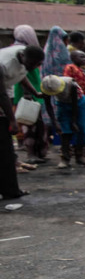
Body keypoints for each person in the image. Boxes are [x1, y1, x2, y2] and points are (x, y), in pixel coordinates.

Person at [1, 44, 44, 199]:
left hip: (4, 94)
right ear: (24, 57)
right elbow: (2, 95)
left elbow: (21, 75)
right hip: (2, 96)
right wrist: (12, 121)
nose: (35, 67)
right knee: (4, 147)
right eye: (33, 64)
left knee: (5, 149)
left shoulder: (24, 59)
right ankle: (9, 190)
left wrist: (35, 92)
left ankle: (10, 190)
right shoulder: (4, 63)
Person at [12, 25, 48, 165]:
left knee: (39, 124)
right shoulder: (20, 52)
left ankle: (39, 152)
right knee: (29, 123)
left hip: (35, 92)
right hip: (26, 93)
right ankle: (31, 154)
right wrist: (29, 93)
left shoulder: (31, 50)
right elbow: (22, 75)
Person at [40, 74, 85, 168]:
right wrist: (55, 123)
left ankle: (80, 155)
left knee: (81, 128)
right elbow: (49, 106)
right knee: (64, 130)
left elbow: (75, 105)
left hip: (79, 103)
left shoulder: (72, 85)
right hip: (62, 104)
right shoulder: (46, 87)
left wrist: (74, 121)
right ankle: (65, 157)